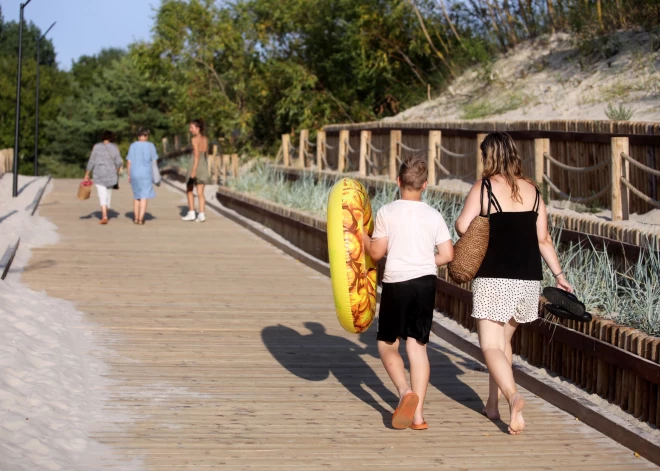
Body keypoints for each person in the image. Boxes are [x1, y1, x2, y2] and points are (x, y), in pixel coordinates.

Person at [455, 132, 573, 435]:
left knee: (489, 345)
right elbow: (544, 239)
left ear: (488, 157)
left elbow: (462, 226)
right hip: (528, 280)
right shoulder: (533, 190)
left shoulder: (483, 188)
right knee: (503, 343)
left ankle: (513, 396)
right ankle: (494, 405)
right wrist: (559, 277)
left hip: (494, 277)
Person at [363, 157, 454, 430]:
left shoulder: (387, 212)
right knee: (418, 347)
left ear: (398, 182)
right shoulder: (433, 214)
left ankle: (404, 392)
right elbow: (448, 255)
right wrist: (424, 260)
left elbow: (377, 253)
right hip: (425, 283)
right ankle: (418, 417)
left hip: (397, 283)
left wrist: (362, 237)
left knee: (387, 344)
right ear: (425, 185)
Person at [84, 131, 123, 225]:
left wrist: (87, 174)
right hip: (111, 174)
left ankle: (104, 215)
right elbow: (119, 161)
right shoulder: (115, 147)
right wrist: (116, 170)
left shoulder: (96, 147)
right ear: (112, 138)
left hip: (99, 173)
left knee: (102, 194)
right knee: (108, 192)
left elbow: (92, 161)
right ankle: (106, 208)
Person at [126, 127, 159, 225]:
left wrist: (129, 174)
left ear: (138, 135)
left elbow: (129, 162)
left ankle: (135, 218)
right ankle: (141, 219)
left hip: (134, 173)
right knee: (144, 196)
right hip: (146, 174)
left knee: (137, 196)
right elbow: (154, 160)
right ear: (146, 135)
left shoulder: (132, 146)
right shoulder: (150, 146)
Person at [182, 119, 212, 222]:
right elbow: (205, 154)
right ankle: (202, 214)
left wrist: (193, 171)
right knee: (200, 192)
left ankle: (191, 212)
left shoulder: (194, 140)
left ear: (197, 128)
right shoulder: (205, 139)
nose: (190, 130)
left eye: (192, 128)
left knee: (189, 189)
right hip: (203, 165)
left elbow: (196, 156)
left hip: (194, 165)